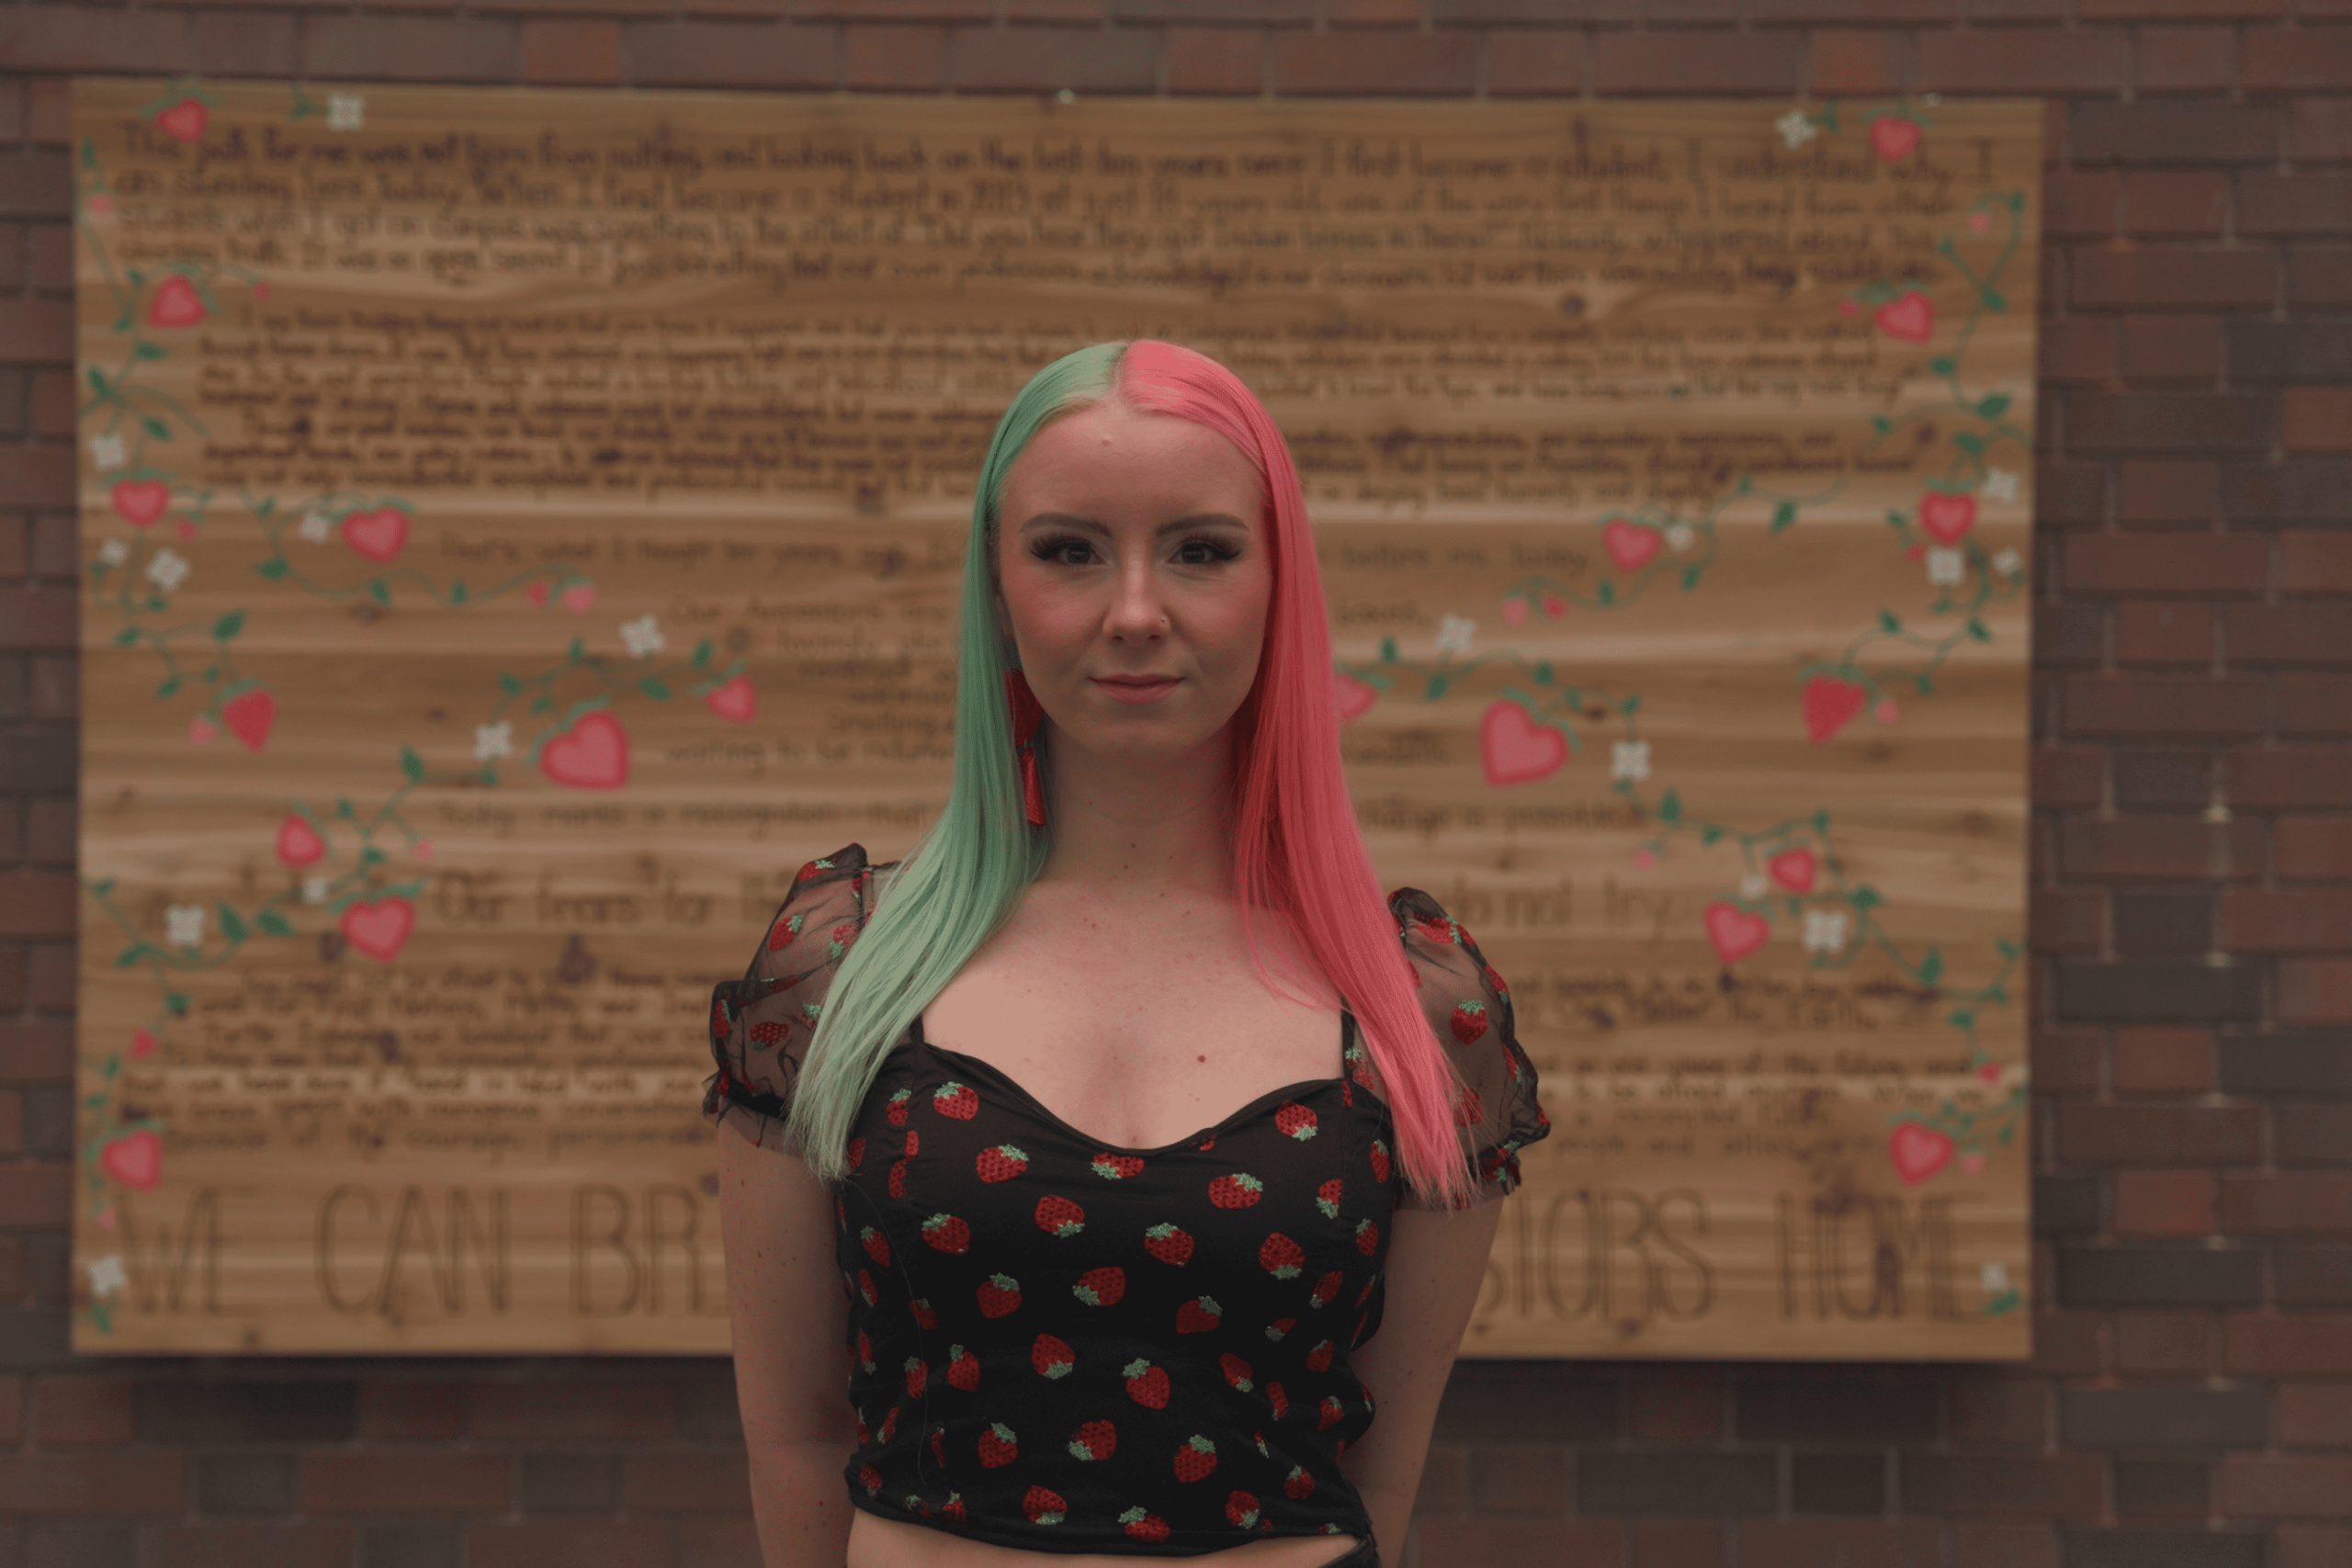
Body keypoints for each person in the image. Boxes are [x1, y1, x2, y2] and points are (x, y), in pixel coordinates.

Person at [704, 340, 1550, 1568]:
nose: (1137, 610)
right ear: (997, 589)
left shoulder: (1416, 1000)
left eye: (1201, 550)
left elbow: (1383, 1462)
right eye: (1069, 550)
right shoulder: (839, 968)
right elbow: (793, 1431)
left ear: (1279, 586)